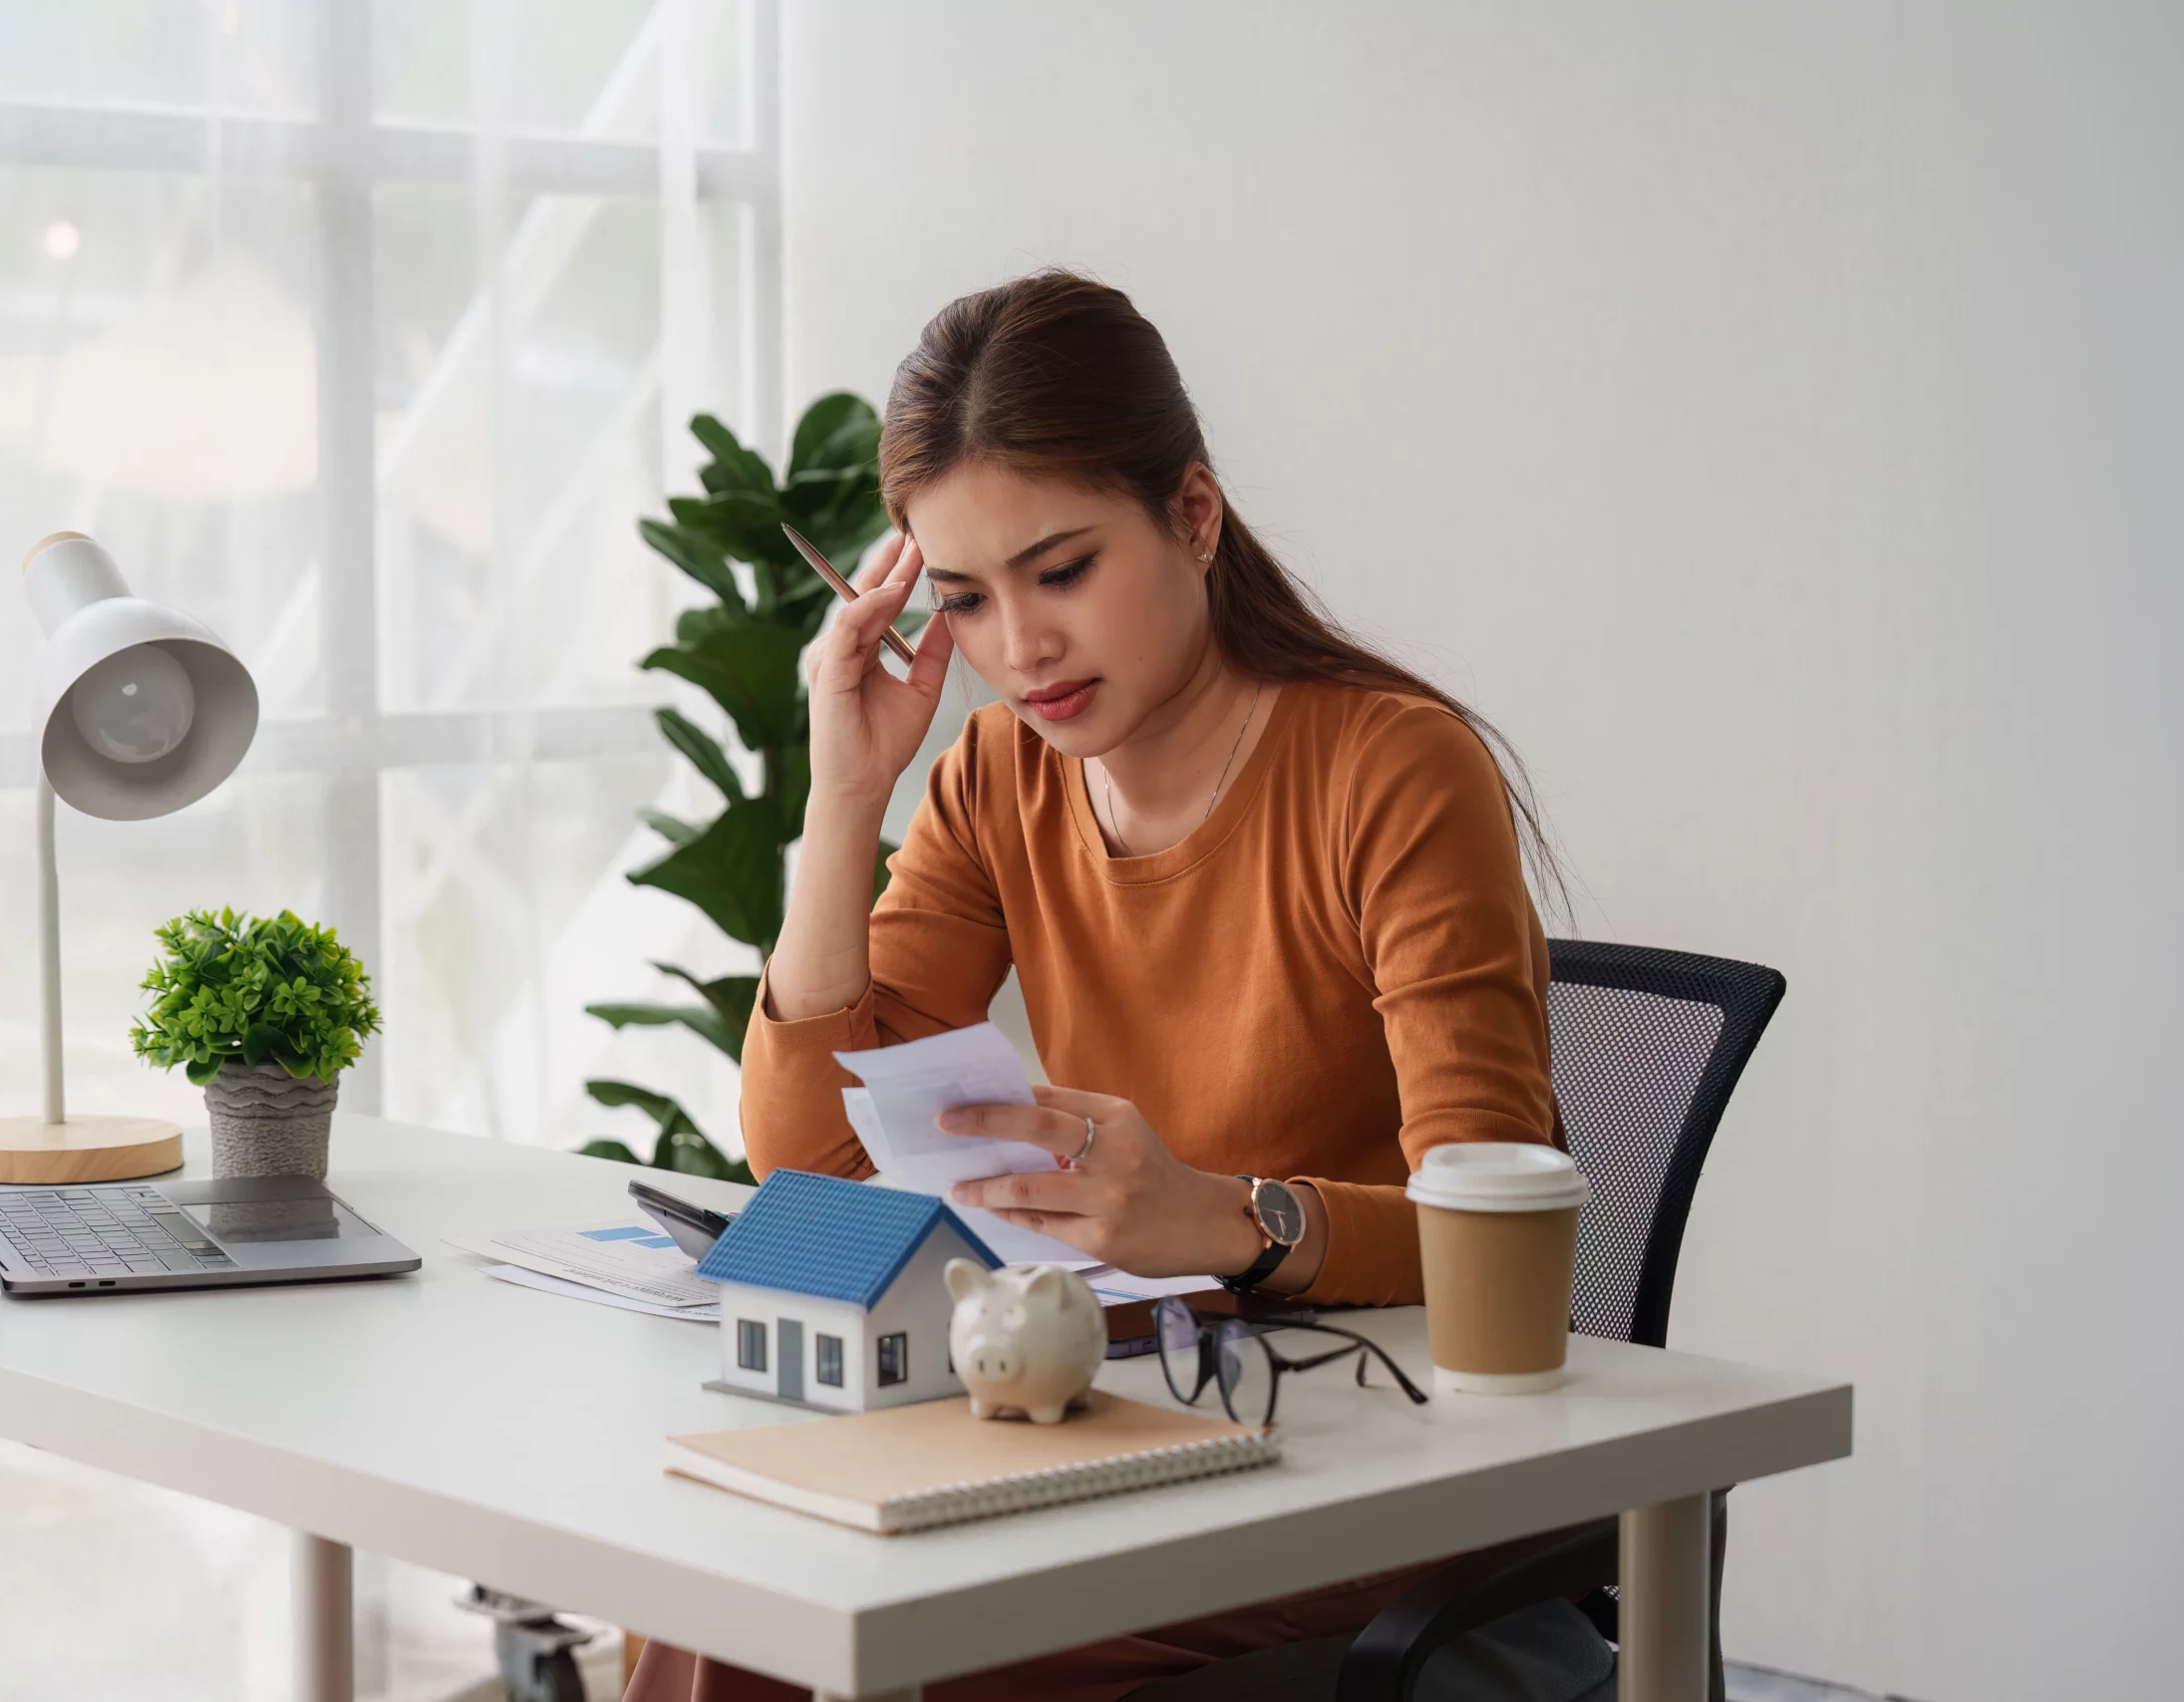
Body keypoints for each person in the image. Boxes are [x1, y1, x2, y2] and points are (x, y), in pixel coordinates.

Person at [625, 271, 1564, 1702]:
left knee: (857, 1635)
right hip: (1124, 1419)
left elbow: (1497, 1246)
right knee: (727, 1593)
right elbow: (806, 1156)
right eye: (966, 600)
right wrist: (846, 791)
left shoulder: (1389, 768)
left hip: (1362, 1464)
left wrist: (1230, 1219)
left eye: (1060, 571)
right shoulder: (998, 776)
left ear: (1192, 514)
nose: (1019, 648)